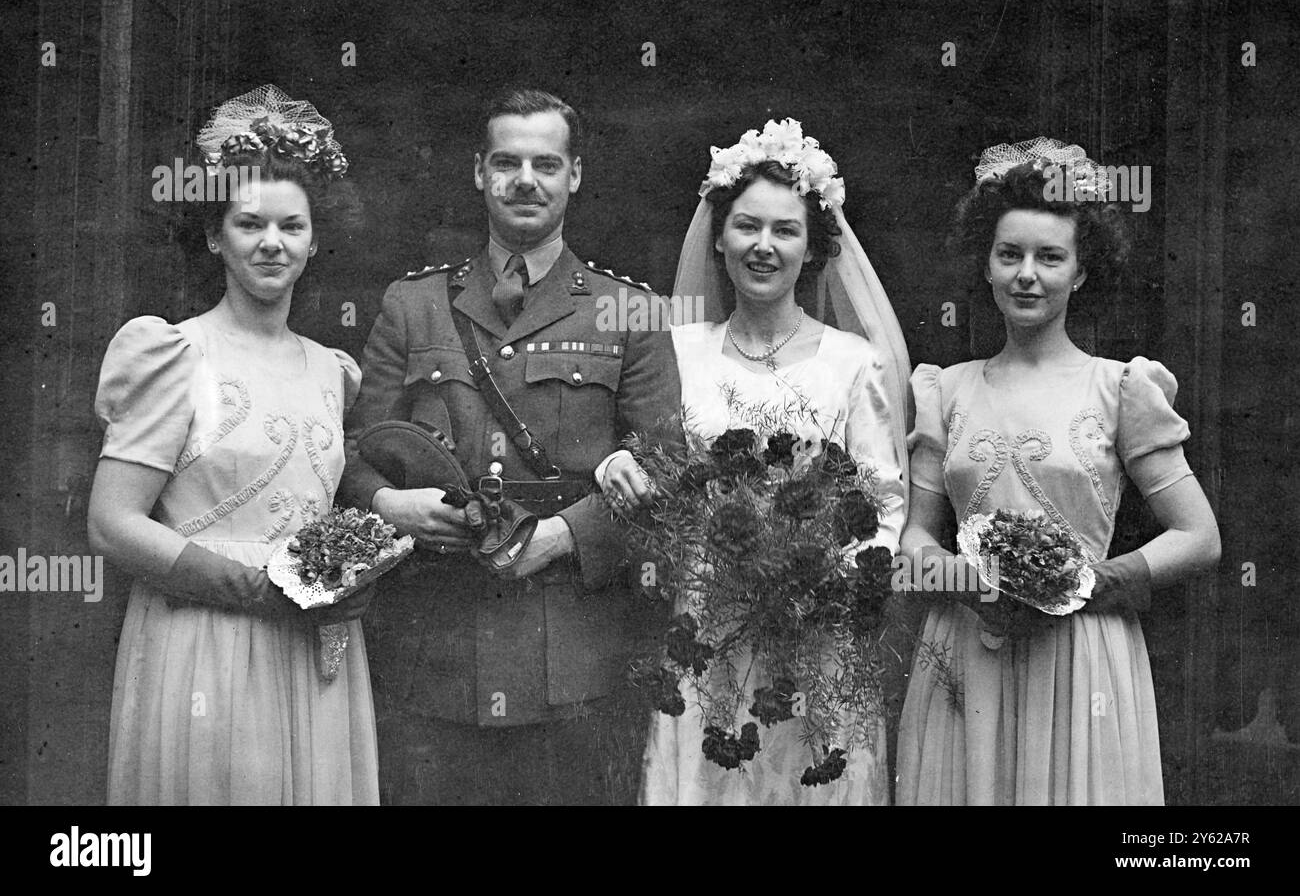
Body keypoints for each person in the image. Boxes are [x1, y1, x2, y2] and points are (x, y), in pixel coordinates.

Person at [339, 87, 681, 805]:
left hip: (571, 653)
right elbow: (352, 449)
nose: (526, 179)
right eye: (506, 162)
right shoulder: (414, 304)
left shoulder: (630, 311)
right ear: (478, 172)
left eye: (546, 164)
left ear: (575, 176)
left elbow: (668, 473)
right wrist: (388, 504)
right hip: (436, 641)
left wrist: (567, 533)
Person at [895, 138, 1221, 805]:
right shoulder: (944, 390)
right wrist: (977, 584)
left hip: (1082, 656)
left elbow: (1199, 536)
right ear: (986, 264)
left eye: (1050, 258)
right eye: (1009, 254)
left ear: (1080, 272)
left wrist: (1091, 582)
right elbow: (912, 545)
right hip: (968, 649)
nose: (1026, 275)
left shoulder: (1122, 388)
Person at [87, 84, 378, 804]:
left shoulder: (332, 371)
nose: (271, 243)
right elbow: (112, 523)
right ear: (215, 235)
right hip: (204, 642)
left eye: (291, 226)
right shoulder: (171, 354)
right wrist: (256, 590)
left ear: (315, 240)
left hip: (315, 651)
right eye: (249, 224)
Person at [615, 118, 910, 805]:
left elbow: (886, 503)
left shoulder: (851, 362)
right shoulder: (679, 349)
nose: (764, 247)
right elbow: (651, 467)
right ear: (718, 237)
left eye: (786, 231)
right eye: (747, 227)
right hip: (706, 626)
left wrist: (824, 581)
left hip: (816, 637)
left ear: (813, 249)